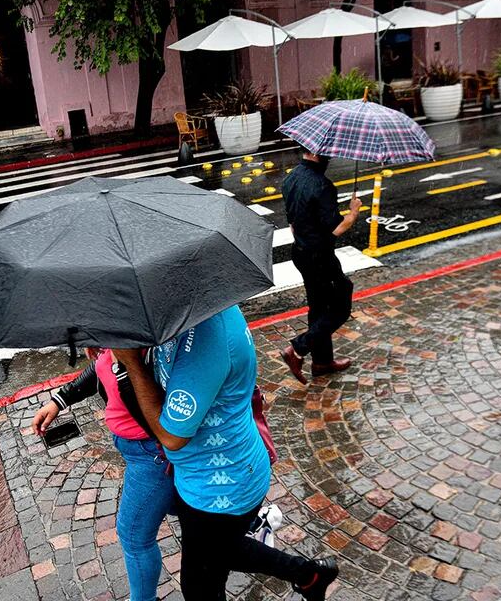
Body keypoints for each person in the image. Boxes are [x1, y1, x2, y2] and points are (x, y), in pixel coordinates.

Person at [114, 306, 338, 601]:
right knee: (223, 549)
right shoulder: (189, 313)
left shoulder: (205, 336)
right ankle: (309, 575)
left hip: (219, 488)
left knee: (200, 587)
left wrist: (129, 365)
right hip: (214, 476)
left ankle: (308, 575)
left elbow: (172, 436)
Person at [31, 348, 175, 601]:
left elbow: (145, 393)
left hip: (151, 454)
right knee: (182, 507)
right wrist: (59, 400)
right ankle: (252, 520)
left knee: (133, 536)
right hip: (137, 448)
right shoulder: (114, 337)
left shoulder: (139, 339)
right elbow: (102, 366)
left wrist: (124, 360)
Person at [278, 152, 361, 384]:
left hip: (301, 252)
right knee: (341, 304)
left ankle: (322, 362)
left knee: (318, 306)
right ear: (318, 153)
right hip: (320, 256)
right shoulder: (322, 185)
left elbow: (292, 222)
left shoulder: (291, 178)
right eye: (328, 153)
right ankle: (297, 349)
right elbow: (336, 228)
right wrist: (353, 213)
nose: (331, 156)